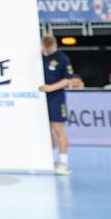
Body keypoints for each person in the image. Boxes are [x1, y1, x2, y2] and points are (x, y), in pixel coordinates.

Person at [38, 34, 73, 175]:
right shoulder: (38, 57)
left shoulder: (62, 58)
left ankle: (63, 162)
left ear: (55, 45)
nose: (47, 50)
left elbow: (68, 79)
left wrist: (51, 88)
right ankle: (50, 160)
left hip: (56, 97)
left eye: (49, 48)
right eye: (45, 48)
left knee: (58, 128)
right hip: (39, 98)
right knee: (45, 130)